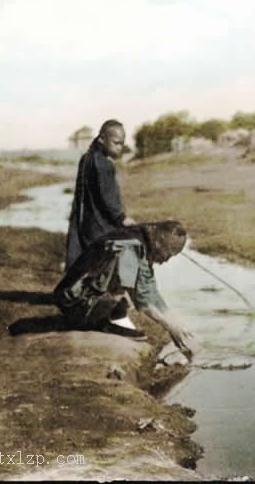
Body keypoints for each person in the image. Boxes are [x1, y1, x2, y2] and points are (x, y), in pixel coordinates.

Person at [54, 220, 195, 360]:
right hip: (74, 306)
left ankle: (104, 320)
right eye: (168, 253)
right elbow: (142, 299)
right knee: (126, 284)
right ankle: (95, 322)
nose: (166, 260)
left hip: (80, 298)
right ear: (160, 241)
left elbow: (150, 289)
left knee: (130, 283)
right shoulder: (130, 248)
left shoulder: (142, 238)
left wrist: (176, 322)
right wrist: (170, 326)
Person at [66, 119, 136, 270]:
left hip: (85, 224)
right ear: (102, 139)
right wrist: (121, 218)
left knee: (91, 268)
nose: (119, 147)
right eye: (116, 143)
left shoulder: (87, 158)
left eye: (121, 144)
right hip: (100, 227)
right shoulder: (104, 163)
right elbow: (107, 197)